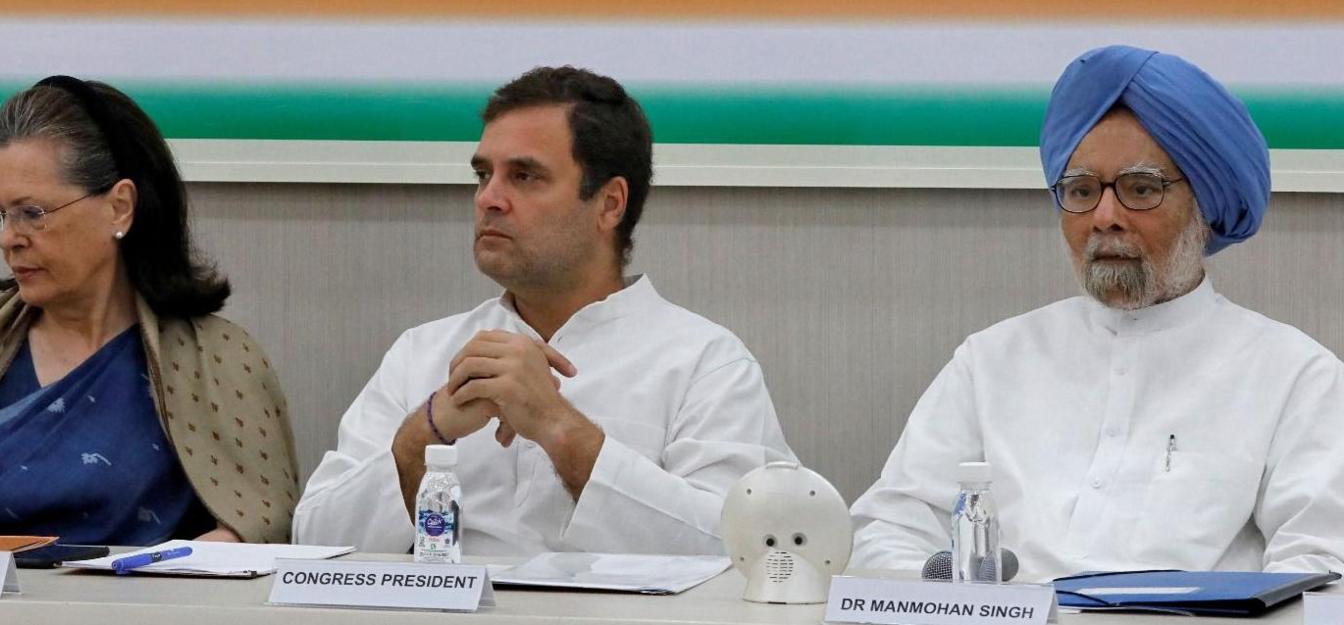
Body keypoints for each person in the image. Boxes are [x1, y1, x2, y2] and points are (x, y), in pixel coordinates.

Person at [851, 45, 1344, 580]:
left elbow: (1321, 566)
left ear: (1205, 207)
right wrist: (947, 594)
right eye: (1082, 190)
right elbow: (889, 530)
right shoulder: (991, 361)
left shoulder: (1295, 376)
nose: (1105, 216)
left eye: (1141, 189)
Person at [294, 66, 793, 555]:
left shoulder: (706, 363)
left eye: (525, 176)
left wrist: (559, 428)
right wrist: (425, 433)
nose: (488, 199)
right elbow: (313, 544)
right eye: (484, 174)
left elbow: (746, 553)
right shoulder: (422, 353)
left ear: (610, 204)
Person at [0, 76, 298, 544]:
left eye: (32, 212)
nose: (10, 237)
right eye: (0, 214)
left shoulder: (219, 359)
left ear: (119, 207)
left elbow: (263, 524)